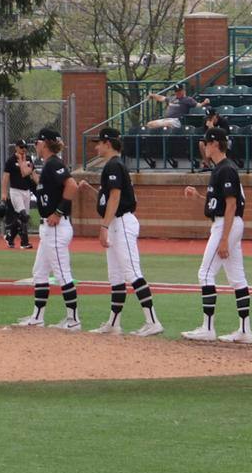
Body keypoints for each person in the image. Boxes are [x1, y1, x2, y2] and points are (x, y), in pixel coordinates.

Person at [81, 128, 162, 337]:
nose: (97, 147)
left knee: (132, 273)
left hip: (121, 223)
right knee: (116, 276)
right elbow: (108, 199)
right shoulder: (114, 165)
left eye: (99, 143)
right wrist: (91, 192)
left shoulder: (114, 165)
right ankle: (114, 323)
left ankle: (153, 321)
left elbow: (116, 198)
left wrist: (104, 226)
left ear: (108, 143)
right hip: (117, 222)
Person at [183, 129, 252, 342]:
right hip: (227, 223)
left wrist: (224, 239)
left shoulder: (226, 169)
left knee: (205, 274)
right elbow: (220, 204)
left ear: (214, 144)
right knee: (237, 278)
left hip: (226, 225)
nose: (204, 146)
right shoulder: (221, 169)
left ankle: (208, 328)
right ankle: (245, 331)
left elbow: (231, 205)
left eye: (206, 142)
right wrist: (198, 197)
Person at [20, 127, 83, 330]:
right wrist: (29, 175)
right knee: (39, 272)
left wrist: (58, 211)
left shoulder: (54, 163)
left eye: (38, 142)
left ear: (45, 143)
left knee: (62, 273)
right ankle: (37, 317)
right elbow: (43, 193)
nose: (36, 145)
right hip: (49, 228)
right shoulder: (48, 165)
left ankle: (73, 320)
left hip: (56, 226)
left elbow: (72, 186)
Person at [1, 142, 34, 249]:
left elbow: (32, 173)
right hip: (15, 191)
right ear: (16, 148)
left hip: (26, 191)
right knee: (23, 215)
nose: (24, 149)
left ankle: (9, 237)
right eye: (21, 147)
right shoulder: (11, 160)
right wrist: (4, 193)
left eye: (25, 147)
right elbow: (6, 177)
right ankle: (24, 242)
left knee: (23, 218)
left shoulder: (28, 158)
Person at [142, 83, 209, 130]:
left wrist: (204, 102)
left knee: (166, 124)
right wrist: (153, 95)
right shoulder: (172, 98)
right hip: (167, 119)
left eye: (179, 91)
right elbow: (161, 98)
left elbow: (198, 105)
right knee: (149, 124)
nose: (178, 92)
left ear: (183, 90)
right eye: (176, 91)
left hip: (177, 120)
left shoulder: (188, 99)